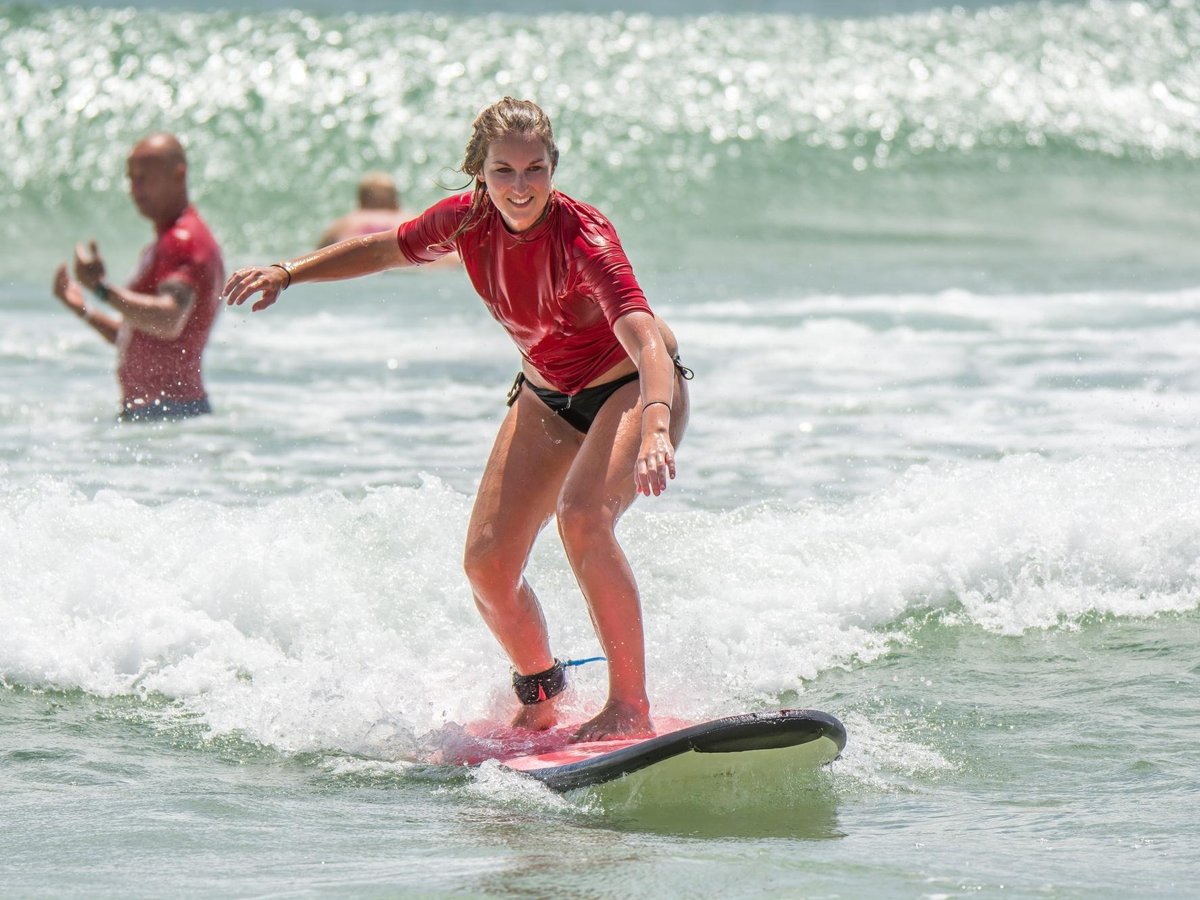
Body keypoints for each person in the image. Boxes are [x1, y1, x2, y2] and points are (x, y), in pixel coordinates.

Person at [224, 97, 691, 742]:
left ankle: (628, 706)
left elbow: (642, 338)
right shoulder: (465, 220)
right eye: (504, 170)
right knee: (488, 566)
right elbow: (384, 250)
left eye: (535, 169)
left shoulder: (584, 236)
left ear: (554, 168)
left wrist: (659, 425)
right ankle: (541, 691)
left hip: (633, 386)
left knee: (582, 516)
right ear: (480, 172)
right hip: (546, 393)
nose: (520, 187)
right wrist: (287, 272)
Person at [51, 133, 225, 422]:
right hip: (162, 415)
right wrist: (83, 309)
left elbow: (169, 320)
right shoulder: (163, 243)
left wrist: (101, 289)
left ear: (178, 174)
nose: (135, 189)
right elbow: (137, 334)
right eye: (131, 179)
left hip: (171, 416)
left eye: (144, 179)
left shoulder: (185, 240)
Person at [317, 172, 413, 248]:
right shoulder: (409, 222)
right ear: (395, 199)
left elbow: (317, 257)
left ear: (361, 200)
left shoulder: (345, 224)